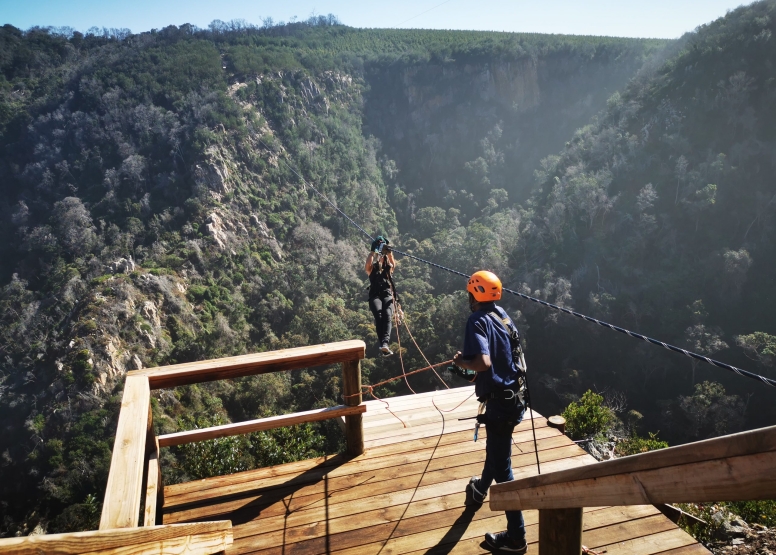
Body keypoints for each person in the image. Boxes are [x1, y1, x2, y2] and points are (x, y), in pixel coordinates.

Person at [452, 270, 528, 554]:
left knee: (503, 469)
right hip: (515, 398)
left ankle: (517, 537)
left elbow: (482, 362)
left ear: (474, 295)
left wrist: (462, 361)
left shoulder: (477, 320)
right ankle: (479, 489)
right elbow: (504, 356)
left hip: (499, 404)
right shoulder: (502, 315)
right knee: (497, 451)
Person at [364, 235, 396, 356]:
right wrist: (373, 252)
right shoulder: (372, 270)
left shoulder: (389, 269)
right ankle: (383, 343)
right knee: (379, 315)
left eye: (384, 257)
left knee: (387, 314)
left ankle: (385, 344)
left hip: (387, 294)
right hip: (375, 295)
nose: (382, 258)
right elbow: (367, 264)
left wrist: (389, 252)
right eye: (381, 257)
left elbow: (393, 263)